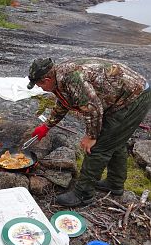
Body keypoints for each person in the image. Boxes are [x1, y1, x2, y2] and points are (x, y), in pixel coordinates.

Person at [27, 57, 151, 207]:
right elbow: (65, 101)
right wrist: (47, 126)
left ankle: (83, 194)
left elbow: (92, 107)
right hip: (123, 97)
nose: (40, 89)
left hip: (134, 97)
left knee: (99, 147)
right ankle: (114, 184)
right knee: (115, 143)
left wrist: (91, 136)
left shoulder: (71, 77)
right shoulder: (58, 78)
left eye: (40, 85)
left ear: (47, 79)